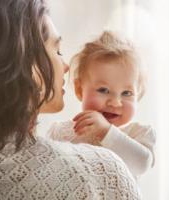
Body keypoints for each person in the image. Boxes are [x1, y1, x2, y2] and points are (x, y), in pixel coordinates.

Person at [0, 0, 141, 199]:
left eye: (127, 93)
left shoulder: (138, 134)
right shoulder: (100, 173)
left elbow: (142, 161)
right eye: (57, 51)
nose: (65, 66)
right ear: (26, 63)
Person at [48, 31, 156, 177]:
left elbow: (141, 165)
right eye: (103, 90)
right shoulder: (61, 132)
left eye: (126, 93)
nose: (115, 102)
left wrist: (106, 132)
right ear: (80, 90)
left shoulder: (138, 133)